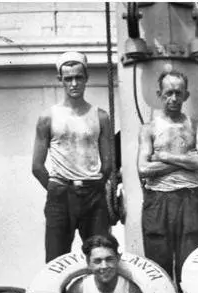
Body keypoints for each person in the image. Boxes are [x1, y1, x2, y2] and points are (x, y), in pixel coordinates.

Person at [137, 69, 198, 293]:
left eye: (179, 92)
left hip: (189, 199)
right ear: (159, 95)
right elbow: (144, 169)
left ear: (186, 94)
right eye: (168, 92)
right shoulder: (149, 129)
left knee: (190, 264)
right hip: (158, 201)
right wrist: (185, 162)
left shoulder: (196, 124)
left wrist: (167, 157)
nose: (173, 97)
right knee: (158, 264)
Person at [32, 51, 113, 263]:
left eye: (78, 77)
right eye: (68, 78)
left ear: (86, 78)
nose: (74, 83)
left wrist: (93, 185)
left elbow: (108, 164)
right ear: (60, 80)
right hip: (61, 194)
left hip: (93, 195)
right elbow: (37, 167)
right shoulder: (48, 117)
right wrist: (56, 187)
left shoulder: (101, 116)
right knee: (56, 260)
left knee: (101, 254)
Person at [61, 234, 143, 293]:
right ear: (88, 262)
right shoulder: (79, 289)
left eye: (109, 259)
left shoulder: (131, 291)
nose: (104, 266)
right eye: (97, 261)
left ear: (118, 258)